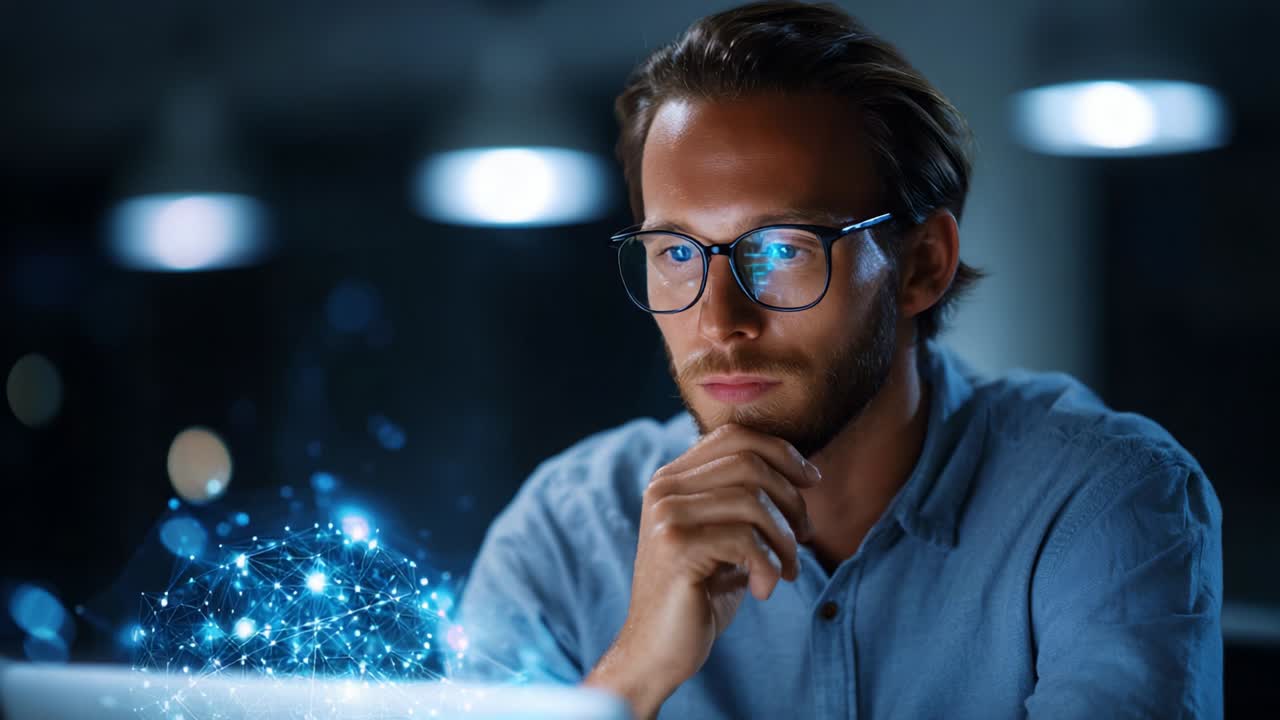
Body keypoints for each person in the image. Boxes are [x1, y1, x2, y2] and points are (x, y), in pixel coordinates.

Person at [449, 2, 1223, 717]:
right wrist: (633, 673)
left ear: (923, 265)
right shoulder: (565, 529)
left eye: (783, 247)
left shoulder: (1101, 501)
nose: (720, 319)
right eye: (678, 250)